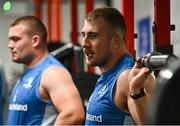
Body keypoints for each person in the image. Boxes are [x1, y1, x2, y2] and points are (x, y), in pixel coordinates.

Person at [81, 7, 155, 125]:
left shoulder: (126, 77)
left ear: (115, 41)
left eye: (93, 35)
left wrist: (137, 92)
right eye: (83, 35)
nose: (84, 43)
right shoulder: (108, 74)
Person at [7, 15, 85, 125]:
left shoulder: (52, 72)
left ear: (35, 41)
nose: (10, 45)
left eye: (15, 39)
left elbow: (73, 114)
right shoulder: (29, 72)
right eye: (9, 39)